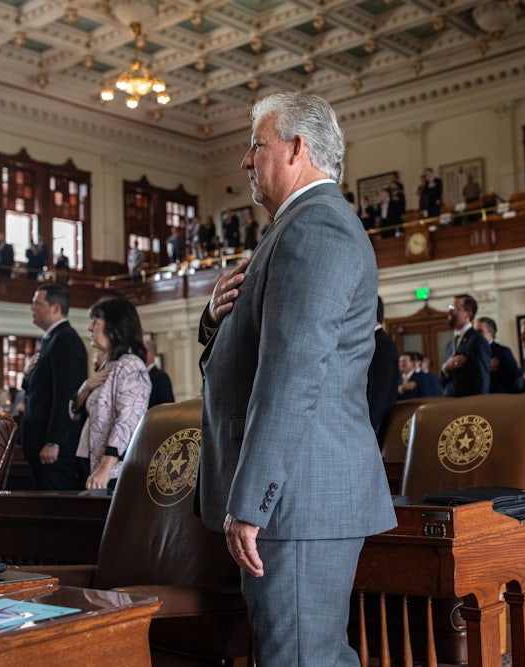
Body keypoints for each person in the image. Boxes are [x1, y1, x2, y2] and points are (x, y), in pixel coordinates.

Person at [196, 92, 396, 666]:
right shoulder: (297, 227)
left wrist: (253, 500)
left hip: (296, 495)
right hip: (294, 492)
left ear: (298, 149)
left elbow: (291, 377)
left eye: (256, 145)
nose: (244, 160)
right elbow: (252, 356)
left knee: (303, 658)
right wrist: (213, 316)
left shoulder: (317, 230)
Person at [70, 297, 151, 492]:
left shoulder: (131, 366)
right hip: (92, 463)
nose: (90, 327)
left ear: (115, 328)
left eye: (96, 322)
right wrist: (84, 389)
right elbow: (74, 415)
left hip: (113, 473)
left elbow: (127, 422)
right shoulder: (109, 365)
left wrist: (105, 468)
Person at [22, 284, 88, 490]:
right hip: (40, 442)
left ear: (55, 308)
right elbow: (39, 390)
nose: (31, 307)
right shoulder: (51, 339)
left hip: (53, 449)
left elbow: (66, 395)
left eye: (37, 303)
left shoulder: (65, 339)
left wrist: (54, 441)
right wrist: (26, 373)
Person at [440, 294, 490, 397]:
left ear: (468, 314)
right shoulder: (450, 344)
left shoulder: (477, 341)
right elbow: (442, 382)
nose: (449, 312)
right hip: (451, 405)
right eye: (450, 308)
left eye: (454, 309)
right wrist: (445, 368)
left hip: (468, 407)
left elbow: (482, 381)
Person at [367, 296, 399, 437]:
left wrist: (367, 427)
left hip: (374, 428)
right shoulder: (372, 341)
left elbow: (380, 393)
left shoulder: (382, 344)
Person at [476, 316, 519, 394]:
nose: (476, 335)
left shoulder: (503, 352)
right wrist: (485, 367)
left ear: (491, 332)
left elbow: (515, 377)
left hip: (499, 399)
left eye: (480, 332)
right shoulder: (473, 353)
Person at [145, 337, 174, 408]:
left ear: (151, 353)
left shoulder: (160, 376)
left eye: (143, 352)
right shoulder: (139, 376)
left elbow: (167, 405)